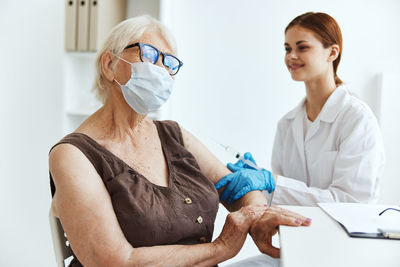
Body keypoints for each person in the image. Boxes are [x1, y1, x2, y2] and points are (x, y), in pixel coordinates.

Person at [49, 15, 310, 266]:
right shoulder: (73, 155)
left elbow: (236, 188)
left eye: (169, 62)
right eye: (149, 54)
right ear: (109, 64)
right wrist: (221, 248)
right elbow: (114, 261)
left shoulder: (173, 135)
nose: (161, 69)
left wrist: (258, 214)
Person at [217, 12, 385, 206]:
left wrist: (274, 183)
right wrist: (260, 184)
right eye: (287, 49)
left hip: (344, 236)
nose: (291, 56)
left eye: (302, 47)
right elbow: (281, 198)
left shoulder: (357, 119)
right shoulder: (287, 124)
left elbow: (352, 203)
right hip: (294, 233)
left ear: (332, 52)